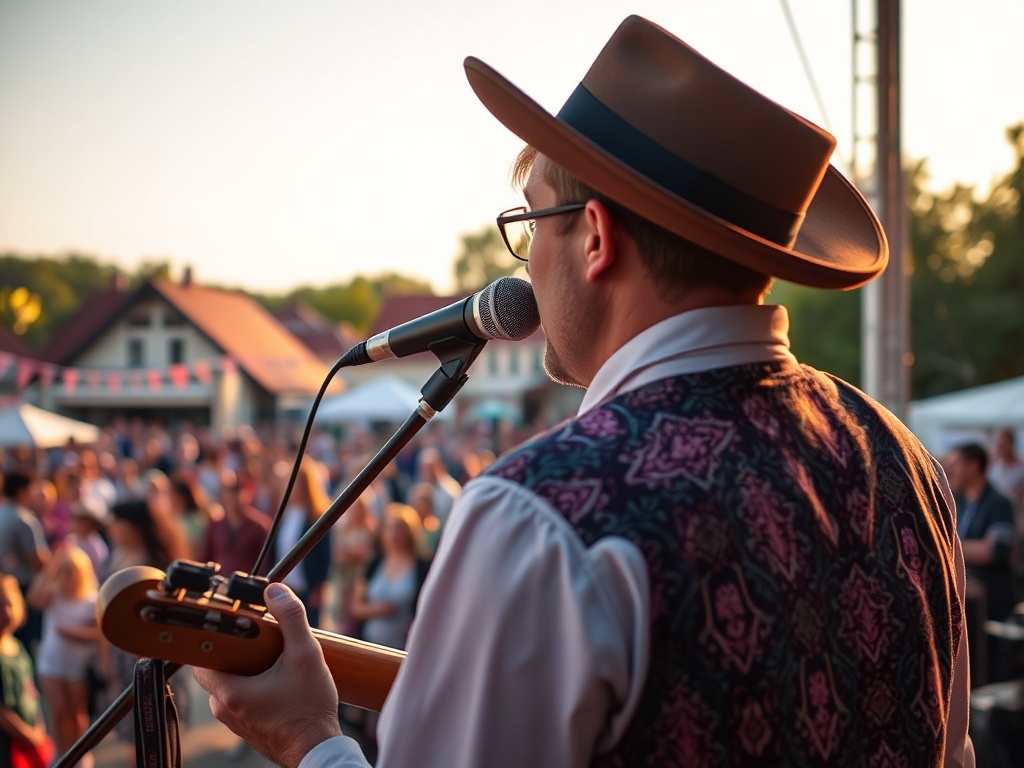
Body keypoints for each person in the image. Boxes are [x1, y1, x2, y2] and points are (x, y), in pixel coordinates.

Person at [195, 17, 973, 767]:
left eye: (533, 221)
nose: (526, 262)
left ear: (596, 238)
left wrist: (309, 740)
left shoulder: (538, 517)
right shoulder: (903, 462)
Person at [25, 545, 100, 767]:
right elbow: (33, 599)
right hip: (50, 665)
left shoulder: (91, 599)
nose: (67, 575)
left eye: (71, 569)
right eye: (63, 570)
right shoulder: (53, 594)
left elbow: (99, 633)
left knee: (76, 714)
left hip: (77, 666)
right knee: (58, 714)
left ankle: (80, 752)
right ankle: (62, 753)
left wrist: (72, 633)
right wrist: (51, 566)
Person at [946, 442, 1017, 621]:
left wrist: (946, 545)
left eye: (956, 464)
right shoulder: (957, 502)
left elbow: (996, 550)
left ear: (973, 466)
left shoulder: (999, 502)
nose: (951, 470)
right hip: (964, 600)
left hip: (990, 604)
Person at [0, 575, 53, 768]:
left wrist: (38, 724)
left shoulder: (18, 647)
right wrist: (26, 733)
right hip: (9, 743)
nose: (6, 611)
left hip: (29, 736)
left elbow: (29, 690)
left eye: (10, 604)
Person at [0, 469, 50, 656]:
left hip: (6, 589)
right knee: (23, 647)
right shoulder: (24, 519)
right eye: (32, 490)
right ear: (22, 491)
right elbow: (38, 561)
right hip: (22, 592)